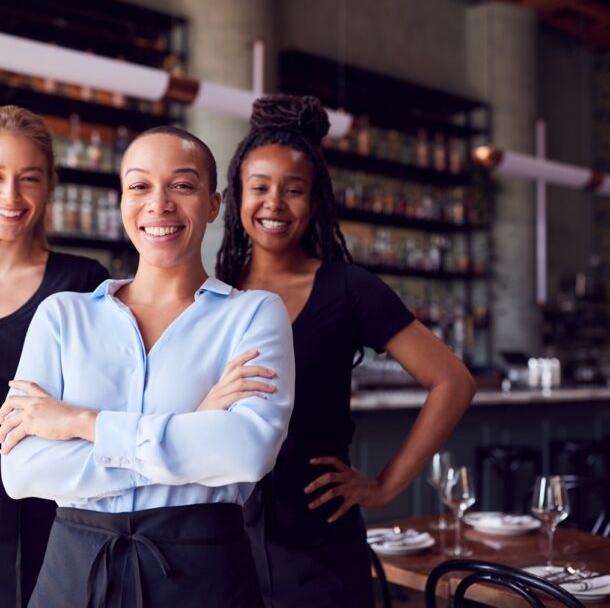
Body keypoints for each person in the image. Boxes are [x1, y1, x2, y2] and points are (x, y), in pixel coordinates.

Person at [0, 126, 295, 608]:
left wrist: (82, 423)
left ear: (214, 204)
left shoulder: (255, 314)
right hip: (74, 571)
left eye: (182, 185)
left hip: (204, 573)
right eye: (140, 186)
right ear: (122, 202)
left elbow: (247, 453)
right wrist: (192, 432)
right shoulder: (63, 315)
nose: (159, 204)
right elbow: (21, 471)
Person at [216, 94, 477, 608]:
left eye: (293, 190)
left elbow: (453, 381)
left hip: (321, 547)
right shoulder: (213, 292)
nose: (274, 203)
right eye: (259, 187)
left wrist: (382, 487)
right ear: (235, 198)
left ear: (314, 203)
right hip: (224, 544)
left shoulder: (349, 288)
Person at [0, 104, 109, 607]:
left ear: (49, 187)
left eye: (29, 178)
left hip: (49, 516)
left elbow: (121, 393)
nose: (11, 196)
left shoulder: (82, 282)